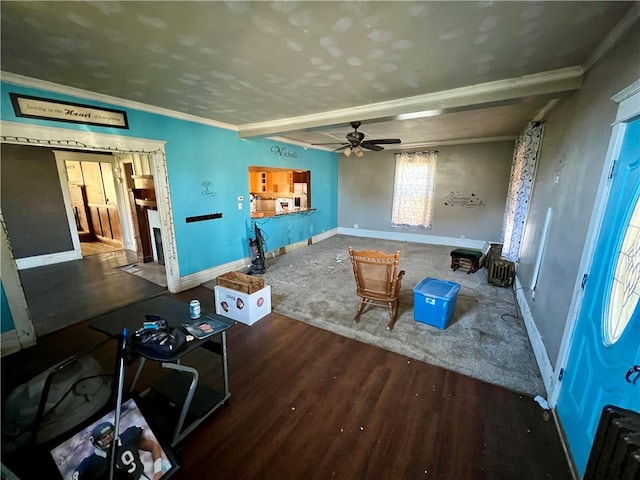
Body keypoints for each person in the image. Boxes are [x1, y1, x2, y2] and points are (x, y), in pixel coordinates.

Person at [73, 421, 163, 480]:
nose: (109, 437)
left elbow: (153, 446)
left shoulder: (127, 439)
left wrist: (158, 473)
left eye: (110, 433)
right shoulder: (90, 464)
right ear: (96, 442)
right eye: (104, 436)